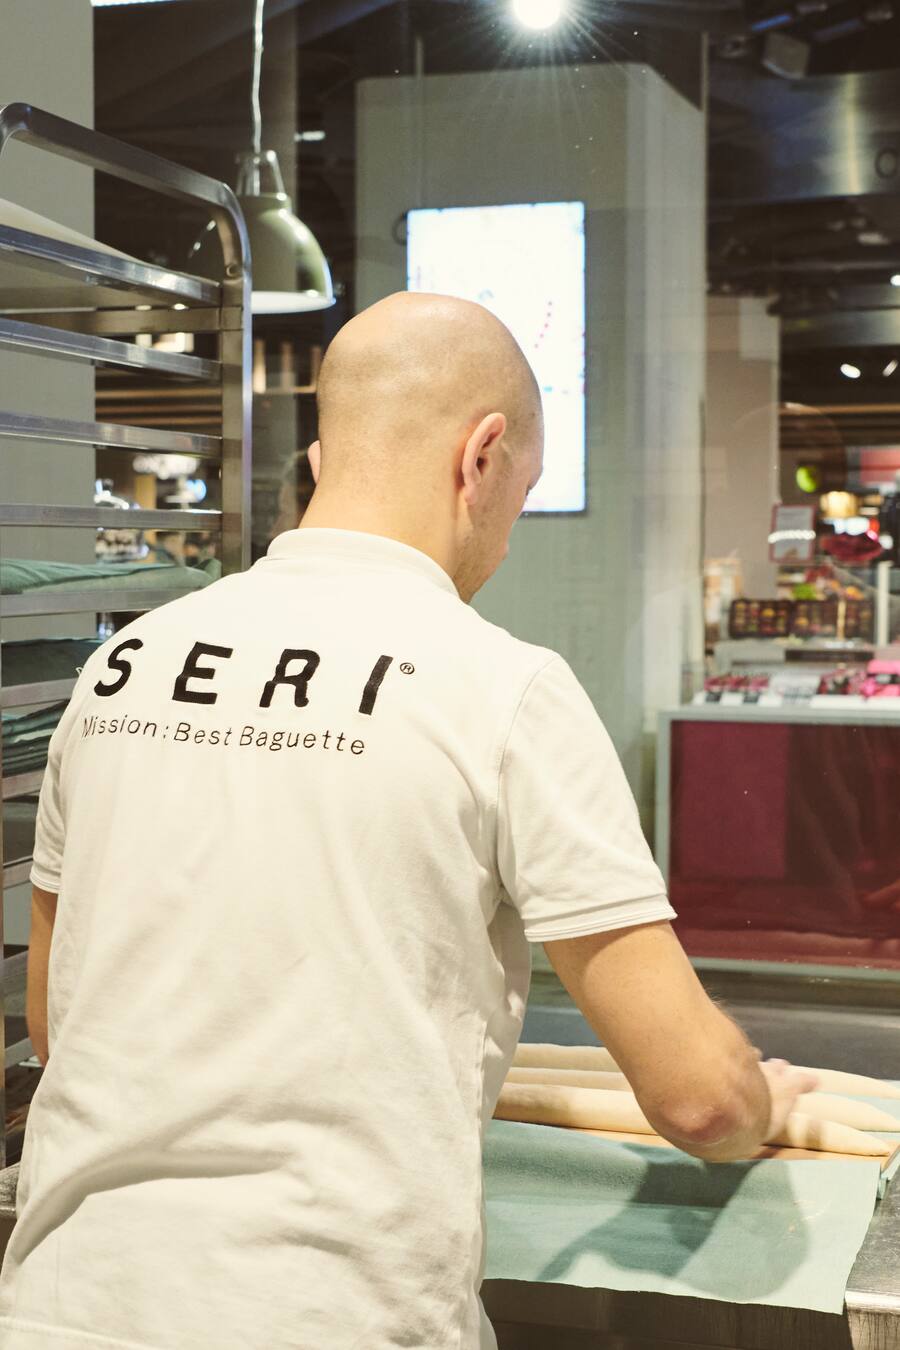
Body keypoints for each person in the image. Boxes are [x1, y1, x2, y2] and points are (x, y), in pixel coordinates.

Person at [1, 293, 815, 1350]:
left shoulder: (124, 664)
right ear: (482, 458)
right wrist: (763, 1100)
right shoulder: (502, 688)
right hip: (328, 1318)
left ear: (324, 454)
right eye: (522, 497)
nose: (508, 542)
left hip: (60, 1303)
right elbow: (699, 1101)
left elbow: (60, 1022)